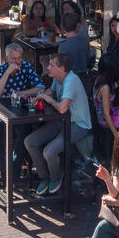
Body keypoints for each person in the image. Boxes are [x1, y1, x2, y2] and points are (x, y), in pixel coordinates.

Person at [22, 52, 92, 196]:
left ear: (62, 68)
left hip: (78, 125)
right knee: (29, 142)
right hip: (61, 121)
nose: (48, 67)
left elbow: (62, 108)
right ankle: (44, 177)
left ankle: (55, 177)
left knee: (49, 152)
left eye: (51, 65)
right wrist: (40, 97)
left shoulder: (71, 80)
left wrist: (48, 99)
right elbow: (51, 91)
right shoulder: (57, 78)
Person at [0, 43, 44, 182]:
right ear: (6, 58)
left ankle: (14, 172)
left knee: (24, 133)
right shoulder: (0, 70)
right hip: (2, 108)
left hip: (21, 108)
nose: (16, 62)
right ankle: (2, 170)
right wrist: (7, 73)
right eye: (13, 59)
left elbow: (40, 87)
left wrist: (19, 93)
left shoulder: (26, 67)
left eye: (19, 58)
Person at [56, 10, 92, 76]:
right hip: (84, 76)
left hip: (70, 78)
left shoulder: (63, 46)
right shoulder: (85, 42)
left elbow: (61, 68)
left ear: (62, 27)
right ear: (77, 26)